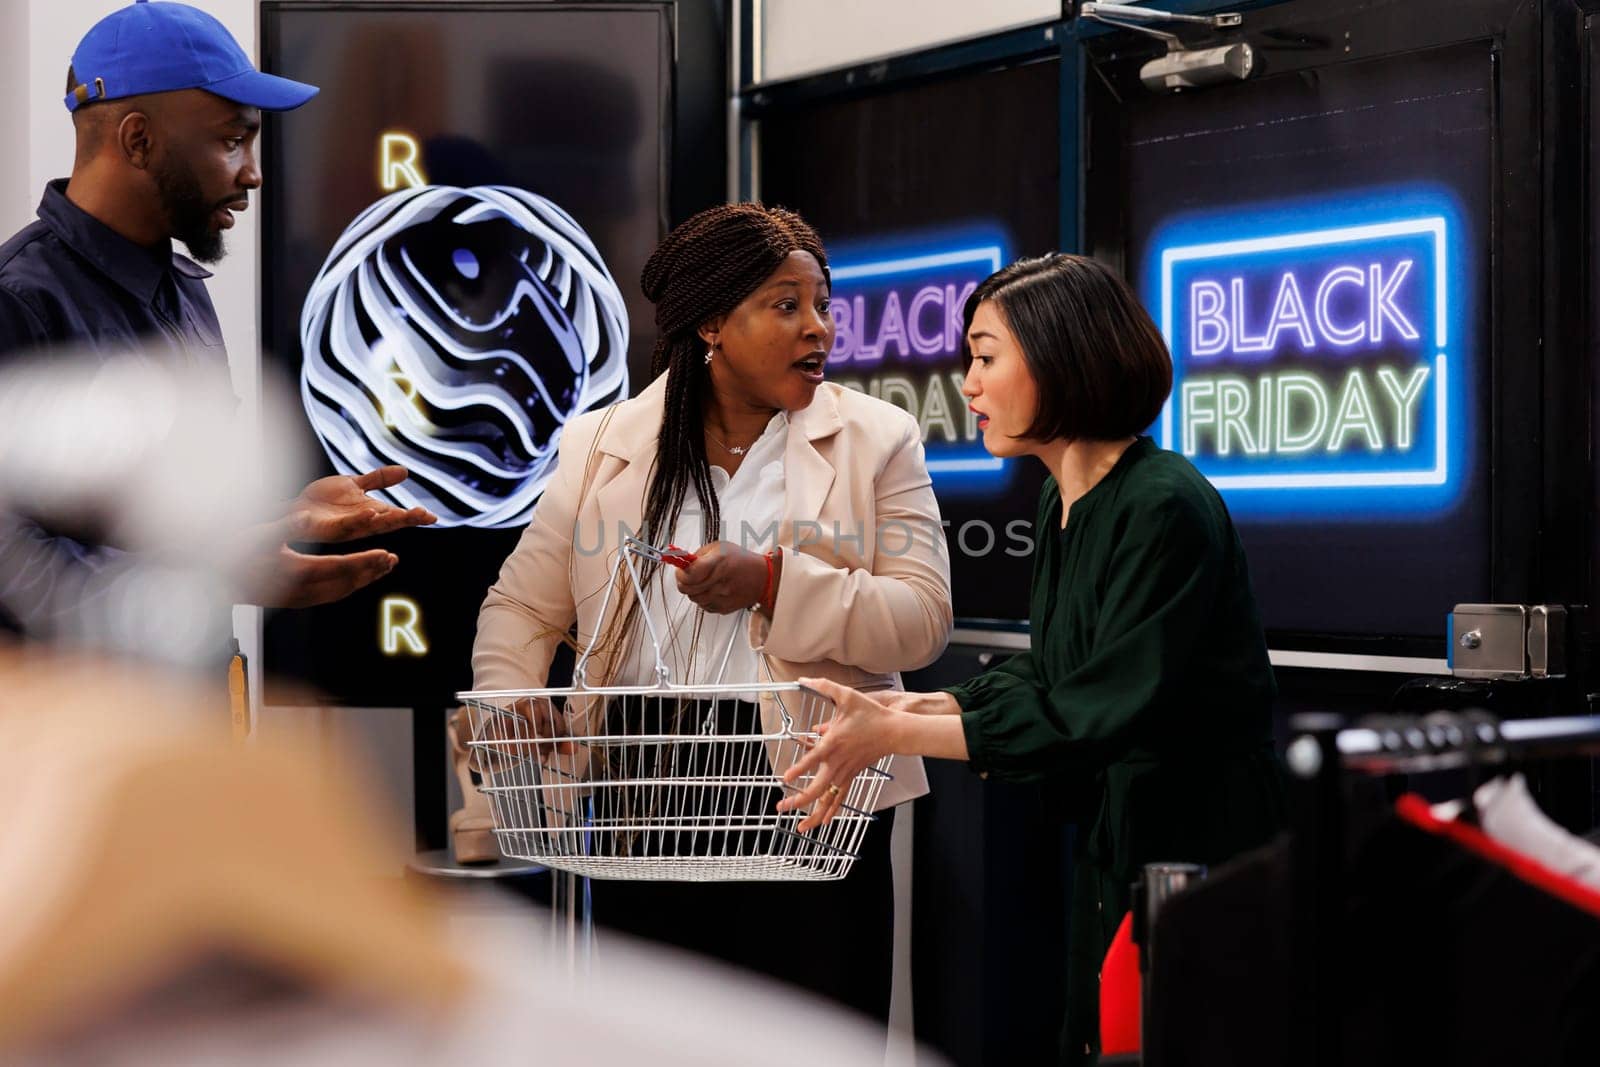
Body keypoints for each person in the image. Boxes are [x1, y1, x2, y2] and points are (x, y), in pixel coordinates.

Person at [780, 253, 1288, 1064]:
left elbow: (1093, 710)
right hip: (1118, 850)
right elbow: (1057, 675)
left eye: (985, 357)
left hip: (1197, 861)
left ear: (1060, 354)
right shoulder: (1064, 496)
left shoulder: (1164, 503)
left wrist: (893, 731)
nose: (968, 386)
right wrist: (907, 710)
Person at [473, 203, 953, 1022]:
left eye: (823, 305)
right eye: (786, 304)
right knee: (664, 1036)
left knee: (817, 1028)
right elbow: (522, 601)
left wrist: (773, 581)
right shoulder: (599, 444)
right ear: (710, 324)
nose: (821, 330)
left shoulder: (879, 437)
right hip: (644, 781)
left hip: (811, 782)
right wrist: (512, 696)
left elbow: (921, 617)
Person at [0, 0, 434, 634]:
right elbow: (15, 570)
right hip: (75, 726)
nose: (253, 174)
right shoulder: (20, 300)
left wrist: (277, 524)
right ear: (138, 140)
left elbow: (157, 528)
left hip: (191, 717)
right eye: (232, 141)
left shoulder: (183, 290)